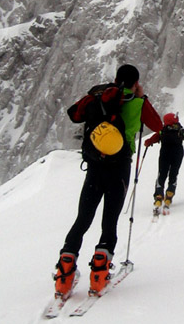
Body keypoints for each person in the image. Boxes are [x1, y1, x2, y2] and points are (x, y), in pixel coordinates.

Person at [54, 64, 163, 297]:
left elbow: (74, 114)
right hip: (120, 167)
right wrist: (141, 98)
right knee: (109, 221)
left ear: (115, 78)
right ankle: (99, 274)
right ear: (136, 82)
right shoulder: (137, 102)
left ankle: (64, 275)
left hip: (95, 166)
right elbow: (158, 126)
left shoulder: (98, 97)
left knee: (83, 219)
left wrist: (97, 97)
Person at [145, 112, 184, 211]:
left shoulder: (162, 131)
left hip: (165, 154)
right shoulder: (180, 130)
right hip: (178, 154)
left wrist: (148, 143)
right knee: (173, 174)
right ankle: (169, 194)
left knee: (162, 174)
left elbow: (150, 140)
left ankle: (158, 196)